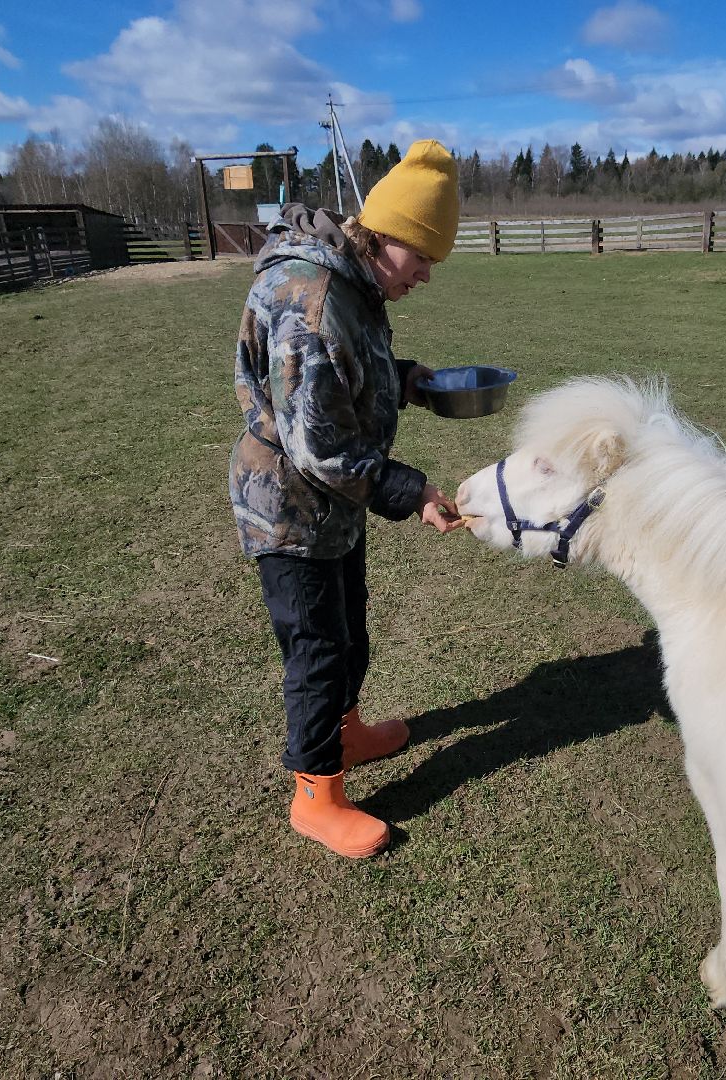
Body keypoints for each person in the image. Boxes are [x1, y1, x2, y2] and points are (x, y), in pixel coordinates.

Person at [229, 139, 465, 858]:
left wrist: (408, 380)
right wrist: (411, 489)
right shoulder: (315, 298)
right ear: (387, 236)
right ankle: (316, 796)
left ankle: (347, 732)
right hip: (289, 509)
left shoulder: (354, 283)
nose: (425, 275)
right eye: (422, 257)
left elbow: (346, 372)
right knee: (316, 650)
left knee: (349, 624)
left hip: (331, 509)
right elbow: (319, 445)